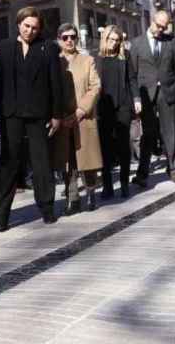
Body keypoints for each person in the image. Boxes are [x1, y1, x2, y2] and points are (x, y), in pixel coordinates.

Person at [0, 6, 64, 230]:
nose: (30, 31)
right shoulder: (4, 47)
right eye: (26, 26)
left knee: (41, 162)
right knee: (9, 163)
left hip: (38, 114)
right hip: (10, 114)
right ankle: (1, 216)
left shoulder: (48, 48)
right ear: (18, 24)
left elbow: (56, 83)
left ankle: (47, 208)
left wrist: (56, 115)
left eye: (34, 28)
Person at [53, 23, 103, 215]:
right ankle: (72, 199)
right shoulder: (54, 62)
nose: (69, 40)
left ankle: (91, 194)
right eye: (65, 37)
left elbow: (95, 86)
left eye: (73, 36)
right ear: (59, 39)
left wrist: (81, 110)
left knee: (87, 160)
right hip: (63, 120)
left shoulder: (87, 60)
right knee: (68, 162)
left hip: (84, 118)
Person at [129, 10, 175, 186]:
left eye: (164, 27)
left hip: (166, 93)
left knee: (169, 132)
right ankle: (142, 173)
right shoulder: (136, 44)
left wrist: (170, 85)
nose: (161, 29)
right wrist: (136, 98)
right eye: (158, 25)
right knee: (148, 134)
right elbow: (133, 75)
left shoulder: (171, 43)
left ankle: (172, 168)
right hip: (146, 95)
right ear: (151, 21)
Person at [96, 25, 135, 199]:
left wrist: (137, 101)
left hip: (124, 105)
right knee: (105, 147)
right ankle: (108, 186)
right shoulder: (96, 58)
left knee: (123, 145)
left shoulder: (125, 56)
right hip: (104, 108)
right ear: (105, 39)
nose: (114, 43)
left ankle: (125, 183)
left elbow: (132, 79)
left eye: (117, 40)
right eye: (111, 39)